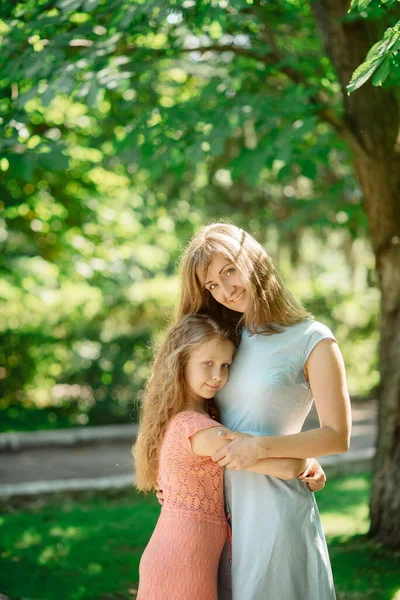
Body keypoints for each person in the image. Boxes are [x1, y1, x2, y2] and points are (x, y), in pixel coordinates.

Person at [174, 222, 352, 600]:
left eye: (229, 271)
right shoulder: (222, 338)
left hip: (275, 511)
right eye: (212, 285)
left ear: (253, 260)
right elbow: (183, 411)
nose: (226, 290)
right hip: (214, 514)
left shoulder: (311, 338)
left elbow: (337, 436)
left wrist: (266, 448)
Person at [133, 313, 315, 600]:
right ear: (180, 363)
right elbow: (288, 465)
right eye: (207, 364)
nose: (217, 376)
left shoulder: (188, 419)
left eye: (226, 366)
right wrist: (309, 460)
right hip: (181, 564)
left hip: (180, 555)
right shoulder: (198, 429)